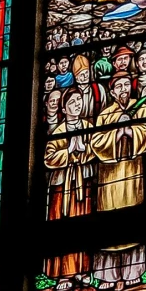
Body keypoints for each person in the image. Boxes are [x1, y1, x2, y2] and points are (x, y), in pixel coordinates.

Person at [90, 72, 146, 211]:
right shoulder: (105, 115)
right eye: (119, 86)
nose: (123, 89)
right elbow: (95, 142)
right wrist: (117, 133)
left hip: (133, 172)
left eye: (126, 85)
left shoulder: (140, 108)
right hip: (109, 179)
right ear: (112, 92)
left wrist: (130, 132)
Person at [43, 87, 97, 222]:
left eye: (79, 99)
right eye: (72, 102)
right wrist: (68, 151)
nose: (78, 104)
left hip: (85, 178)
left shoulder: (88, 127)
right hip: (61, 182)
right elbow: (48, 158)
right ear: (64, 109)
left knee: (84, 212)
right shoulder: (59, 131)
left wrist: (84, 148)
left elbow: (97, 147)